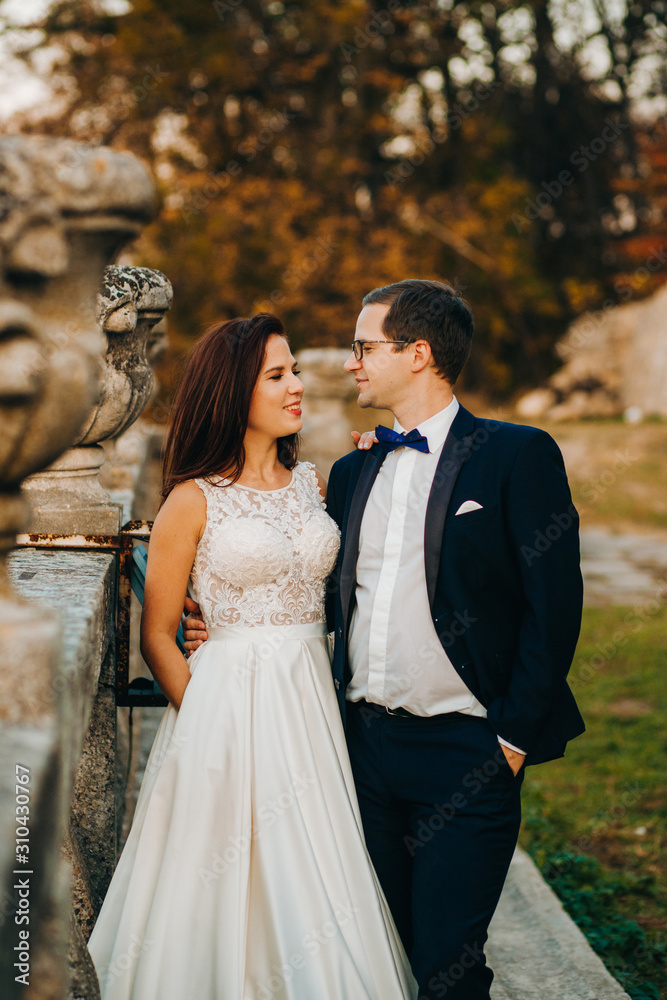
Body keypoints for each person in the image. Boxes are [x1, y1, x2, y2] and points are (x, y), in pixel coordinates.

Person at [186, 279, 585, 1000]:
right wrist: (223, 623)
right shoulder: (349, 470)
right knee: (374, 958)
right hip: (358, 755)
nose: (349, 364)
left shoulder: (514, 456)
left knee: (447, 965)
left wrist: (512, 740)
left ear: (419, 353)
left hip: (469, 752)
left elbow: (552, 607)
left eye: (364, 347)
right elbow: (319, 589)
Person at [87, 313, 417, 1000]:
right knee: (221, 869)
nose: (297, 385)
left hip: (310, 700)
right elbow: (157, 634)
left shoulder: (315, 483)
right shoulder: (192, 499)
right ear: (234, 392)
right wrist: (207, 714)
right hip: (225, 707)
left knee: (314, 863)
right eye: (277, 375)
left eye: (294, 369)